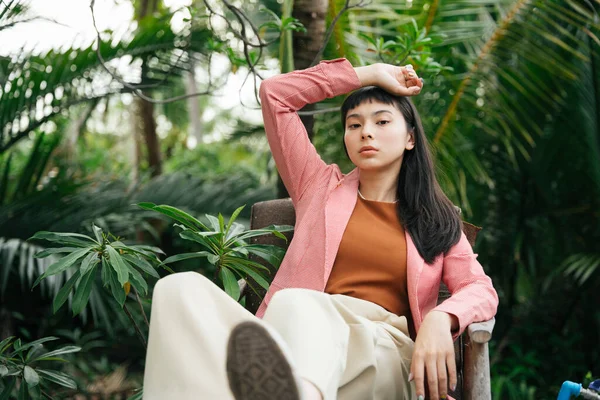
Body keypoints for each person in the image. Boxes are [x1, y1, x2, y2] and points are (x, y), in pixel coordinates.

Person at [142, 58, 499, 400]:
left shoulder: (435, 219)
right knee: (177, 289)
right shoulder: (318, 188)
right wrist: (370, 73)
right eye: (354, 124)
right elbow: (274, 95)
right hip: (293, 336)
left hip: (382, 352)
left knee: (298, 303)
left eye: (382, 122)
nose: (366, 133)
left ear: (410, 139)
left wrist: (442, 317)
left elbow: (479, 288)